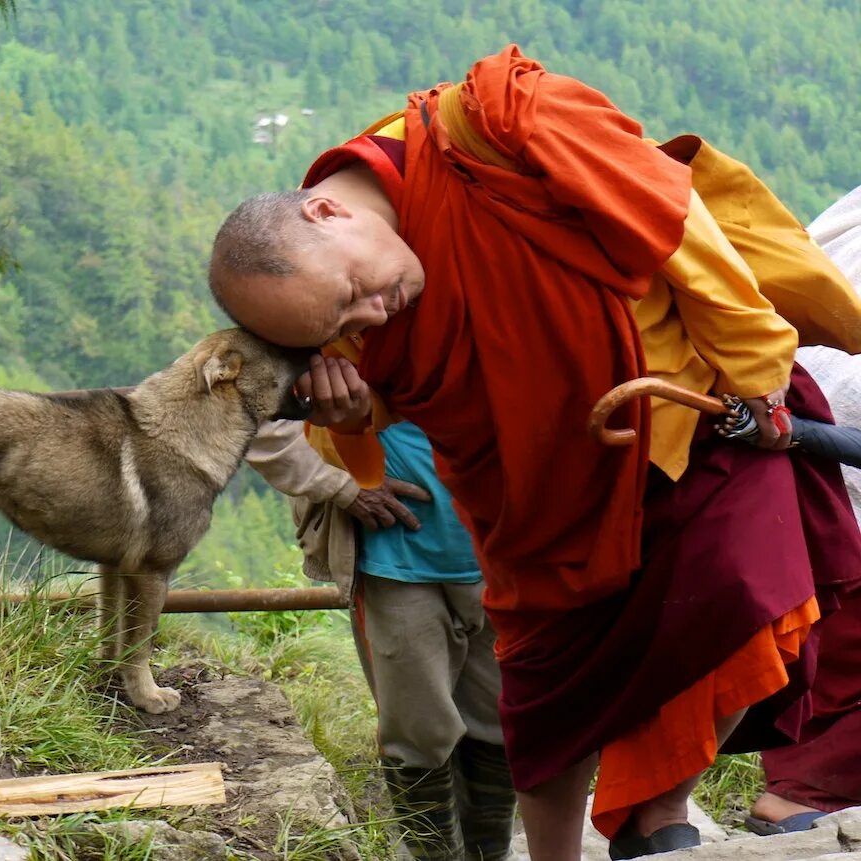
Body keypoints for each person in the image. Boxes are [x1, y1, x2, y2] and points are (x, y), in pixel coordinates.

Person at [209, 46, 861, 860]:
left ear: (326, 213)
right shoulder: (335, 304)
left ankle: (661, 812)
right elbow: (404, 395)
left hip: (684, 412)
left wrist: (760, 373)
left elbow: (679, 231)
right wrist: (350, 412)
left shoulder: (500, 124)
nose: (374, 311)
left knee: (742, 592)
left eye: (357, 293)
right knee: (550, 682)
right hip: (526, 488)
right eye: (351, 318)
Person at [245, 418, 518, 860]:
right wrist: (339, 485)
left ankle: (492, 854)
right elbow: (249, 412)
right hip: (392, 562)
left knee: (502, 723)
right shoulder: (323, 346)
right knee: (417, 732)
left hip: (508, 554)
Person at [746, 185, 861, 834]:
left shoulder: (842, 224)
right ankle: (803, 799)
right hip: (824, 492)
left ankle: (799, 792)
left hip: (803, 491)